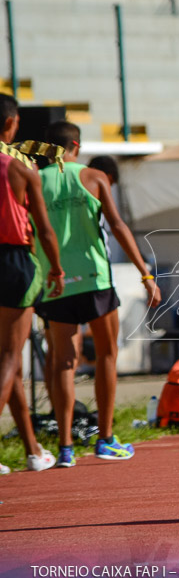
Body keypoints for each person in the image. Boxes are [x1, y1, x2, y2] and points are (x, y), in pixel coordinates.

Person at [35, 121, 161, 467]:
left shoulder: (33, 179)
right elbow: (118, 226)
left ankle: (64, 448)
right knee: (106, 354)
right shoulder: (94, 177)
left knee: (63, 361)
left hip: (55, 281)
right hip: (94, 279)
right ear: (76, 145)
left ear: (48, 147)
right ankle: (105, 439)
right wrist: (146, 275)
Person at [0, 94, 63, 474]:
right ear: (10, 125)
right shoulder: (21, 169)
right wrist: (56, 269)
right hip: (13, 259)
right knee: (10, 359)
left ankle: (33, 450)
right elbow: (44, 229)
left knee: (9, 365)